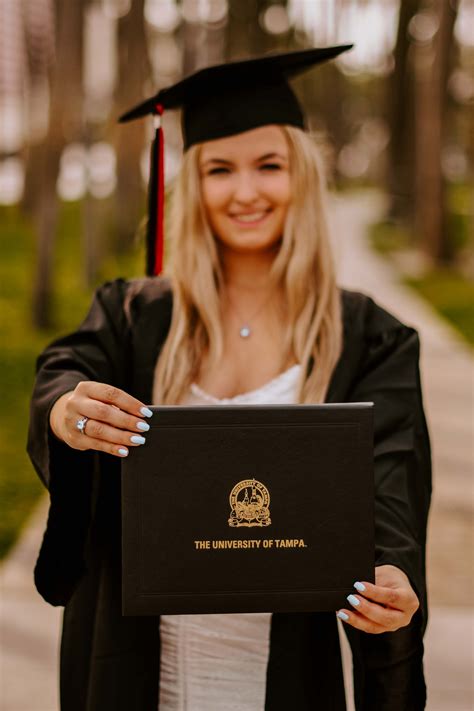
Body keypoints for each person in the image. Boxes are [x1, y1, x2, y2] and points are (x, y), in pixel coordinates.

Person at [27, 46, 431, 711]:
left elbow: (390, 482)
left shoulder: (370, 336)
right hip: (136, 668)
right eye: (219, 169)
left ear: (301, 174)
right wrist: (68, 410)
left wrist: (392, 578)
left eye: (269, 165)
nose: (246, 191)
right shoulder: (134, 314)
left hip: (284, 674)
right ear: (194, 182)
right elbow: (63, 372)